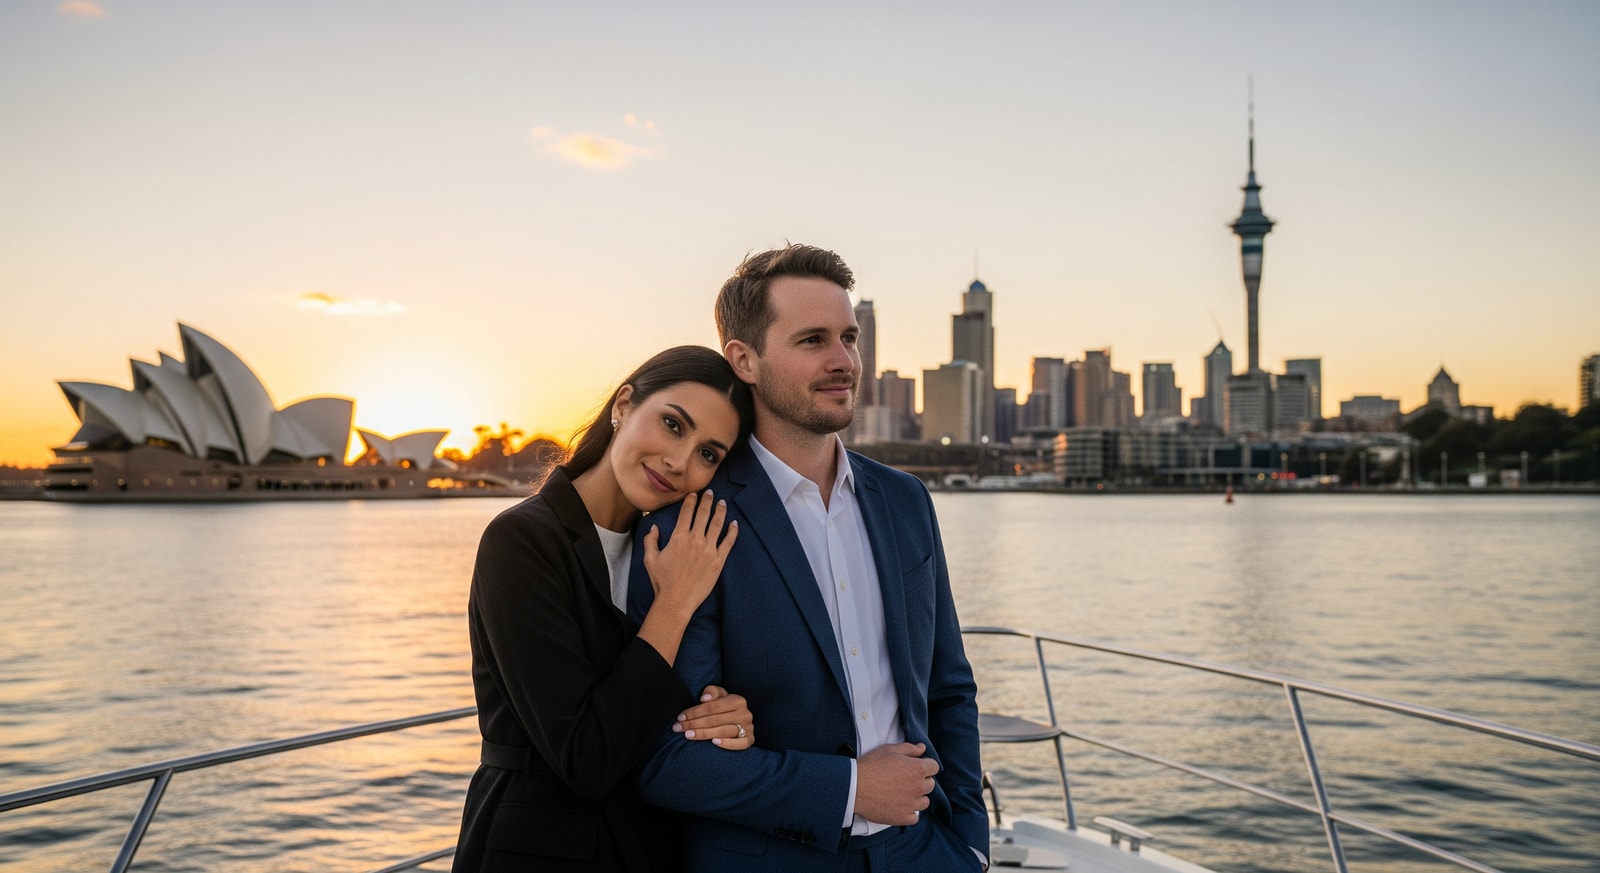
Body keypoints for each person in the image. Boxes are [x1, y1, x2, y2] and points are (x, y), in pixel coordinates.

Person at [629, 245, 988, 870]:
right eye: (813, 340)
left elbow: (949, 688)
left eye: (849, 337)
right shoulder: (688, 525)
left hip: (925, 854)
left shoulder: (906, 502)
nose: (843, 360)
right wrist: (851, 789)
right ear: (744, 359)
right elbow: (666, 761)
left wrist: (971, 847)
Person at [453, 345, 760, 873]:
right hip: (538, 848)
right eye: (671, 424)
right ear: (623, 405)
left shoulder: (680, 550)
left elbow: (666, 711)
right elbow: (586, 755)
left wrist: (728, 720)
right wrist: (675, 604)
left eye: (709, 454)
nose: (679, 461)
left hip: (649, 844)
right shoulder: (522, 540)